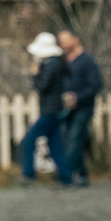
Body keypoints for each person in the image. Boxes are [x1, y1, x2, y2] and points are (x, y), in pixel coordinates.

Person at [55, 29, 104, 187]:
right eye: (61, 41)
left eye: (66, 40)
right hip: (67, 108)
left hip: (84, 107)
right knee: (77, 139)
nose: (63, 44)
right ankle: (82, 175)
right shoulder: (63, 60)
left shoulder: (87, 60)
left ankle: (67, 173)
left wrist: (78, 97)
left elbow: (96, 85)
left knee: (74, 137)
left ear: (75, 39)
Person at [17, 31, 67, 183]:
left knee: (29, 139)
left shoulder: (50, 66)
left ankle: (28, 174)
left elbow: (42, 86)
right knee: (55, 145)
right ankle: (66, 176)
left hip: (50, 111)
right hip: (54, 110)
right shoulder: (55, 64)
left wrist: (35, 74)